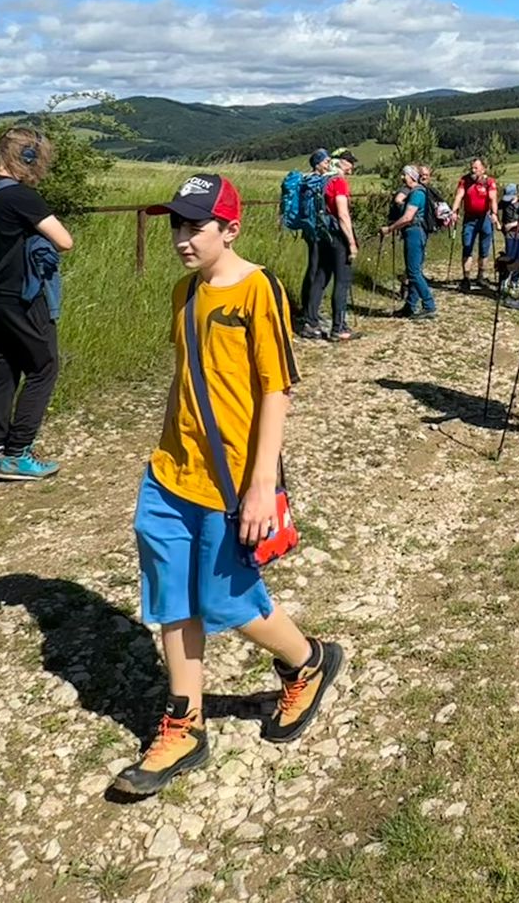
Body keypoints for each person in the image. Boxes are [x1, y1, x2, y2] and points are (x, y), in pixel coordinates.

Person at [110, 173, 346, 797]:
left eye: (196, 227)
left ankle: (310, 661)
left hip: (232, 480)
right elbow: (185, 381)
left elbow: (276, 386)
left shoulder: (256, 289)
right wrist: (164, 451)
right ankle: (184, 723)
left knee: (226, 601)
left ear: (230, 229)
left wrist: (262, 482)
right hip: (169, 474)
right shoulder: (183, 292)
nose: (183, 238)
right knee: (169, 597)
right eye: (177, 226)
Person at [0, 127, 74, 481]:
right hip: (20, 296)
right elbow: (64, 241)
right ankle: (18, 453)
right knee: (44, 367)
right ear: (28, 157)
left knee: (2, 367)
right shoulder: (21, 197)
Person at [378, 164, 436, 320]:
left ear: (411, 176)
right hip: (416, 232)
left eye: (404, 175)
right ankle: (410, 306)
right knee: (414, 270)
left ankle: (429, 305)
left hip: (414, 232)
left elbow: (408, 217)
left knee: (413, 272)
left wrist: (389, 229)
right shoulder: (417, 192)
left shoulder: (417, 193)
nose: (402, 178)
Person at [314, 152, 360, 342]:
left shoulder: (324, 180)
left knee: (322, 276)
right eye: (350, 163)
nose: (352, 168)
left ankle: (311, 319)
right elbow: (342, 214)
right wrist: (351, 242)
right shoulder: (338, 182)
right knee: (342, 281)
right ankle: (338, 327)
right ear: (342, 163)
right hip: (338, 235)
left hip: (324, 234)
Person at [295, 149, 332, 342]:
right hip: (315, 231)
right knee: (316, 270)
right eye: (326, 161)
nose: (328, 164)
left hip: (312, 230)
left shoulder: (308, 180)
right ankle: (309, 314)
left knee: (314, 268)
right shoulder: (313, 181)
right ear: (317, 163)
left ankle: (309, 310)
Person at [452, 157, 498, 292]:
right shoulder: (464, 180)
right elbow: (459, 196)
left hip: (485, 219)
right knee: (467, 247)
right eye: (472, 167)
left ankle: (480, 276)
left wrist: (494, 213)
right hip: (469, 218)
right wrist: (454, 211)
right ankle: (466, 278)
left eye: (476, 168)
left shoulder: (489, 182)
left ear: (483, 169)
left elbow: (493, 198)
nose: (473, 170)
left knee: (484, 249)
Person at [496, 181, 519, 301]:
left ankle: (515, 281)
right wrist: (497, 222)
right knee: (509, 257)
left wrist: (512, 224)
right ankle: (504, 281)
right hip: (509, 235)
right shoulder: (504, 203)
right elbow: (494, 211)